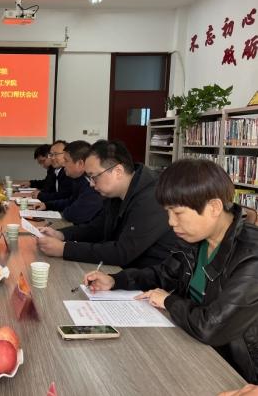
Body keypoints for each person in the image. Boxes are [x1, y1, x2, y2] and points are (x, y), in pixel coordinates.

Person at [84, 159, 258, 383]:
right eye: (168, 213)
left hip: (234, 370)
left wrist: (168, 301)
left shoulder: (251, 255)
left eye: (178, 213)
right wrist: (115, 280)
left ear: (214, 207)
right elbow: (163, 274)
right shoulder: (197, 238)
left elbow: (212, 327)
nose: (171, 222)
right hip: (191, 343)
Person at [38, 140, 176, 268]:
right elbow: (97, 228)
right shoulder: (117, 192)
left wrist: (64, 249)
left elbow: (122, 252)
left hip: (150, 279)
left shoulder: (153, 198)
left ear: (118, 172)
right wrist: (61, 235)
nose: (91, 184)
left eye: (94, 177)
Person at [36, 140, 103, 224]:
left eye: (66, 160)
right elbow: (70, 201)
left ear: (80, 164)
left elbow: (72, 214)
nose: (64, 164)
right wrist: (47, 205)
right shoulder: (78, 180)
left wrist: (67, 209)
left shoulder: (90, 184)